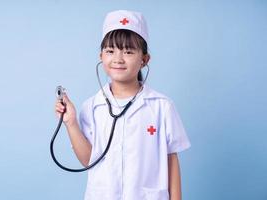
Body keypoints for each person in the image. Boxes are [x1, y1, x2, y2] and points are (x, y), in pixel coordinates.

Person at [55, 10, 191, 200]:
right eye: (110, 51)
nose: (118, 59)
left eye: (128, 51)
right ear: (101, 56)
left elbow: (171, 160)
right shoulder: (92, 106)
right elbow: (88, 160)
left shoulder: (162, 107)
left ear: (144, 59)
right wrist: (71, 124)